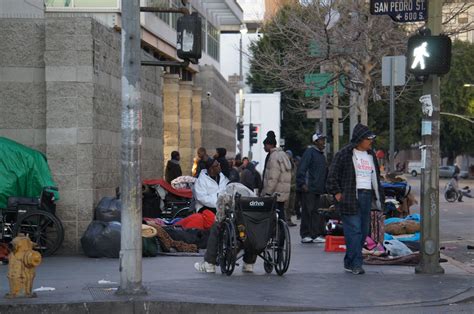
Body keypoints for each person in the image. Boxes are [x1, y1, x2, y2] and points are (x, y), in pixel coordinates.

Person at [326, 123, 385, 275]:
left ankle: (349, 261)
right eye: (368, 138)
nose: (371, 141)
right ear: (359, 139)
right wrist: (338, 194)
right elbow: (332, 176)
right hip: (349, 197)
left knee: (364, 231)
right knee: (354, 231)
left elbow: (376, 179)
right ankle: (357, 264)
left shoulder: (371, 155)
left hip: (367, 197)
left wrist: (379, 198)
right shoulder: (344, 154)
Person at [194, 182, 257, 273]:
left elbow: (220, 216)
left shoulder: (228, 190)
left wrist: (220, 219)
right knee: (254, 231)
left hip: (238, 227)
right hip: (253, 227)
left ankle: (209, 263)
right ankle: (249, 264)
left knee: (216, 226)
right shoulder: (251, 194)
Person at [296, 133, 328, 243]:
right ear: (315, 141)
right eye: (321, 140)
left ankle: (315, 234)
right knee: (307, 211)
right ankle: (305, 234)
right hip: (308, 188)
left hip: (317, 189)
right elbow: (302, 168)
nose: (323, 142)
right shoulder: (310, 152)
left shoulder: (321, 155)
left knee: (316, 212)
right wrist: (302, 183)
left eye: (324, 140)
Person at [260, 131, 292, 222]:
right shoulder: (282, 154)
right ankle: (282, 233)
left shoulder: (273, 157)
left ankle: (278, 233)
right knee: (281, 213)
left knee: (273, 216)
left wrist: (267, 193)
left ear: (269, 145)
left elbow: (273, 177)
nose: (264, 148)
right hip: (282, 192)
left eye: (265, 145)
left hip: (275, 192)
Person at [285, 150, 297, 227]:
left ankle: (289, 219)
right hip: (286, 187)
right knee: (286, 205)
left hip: (293, 187)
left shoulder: (293, 165)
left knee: (291, 205)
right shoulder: (284, 164)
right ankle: (286, 219)